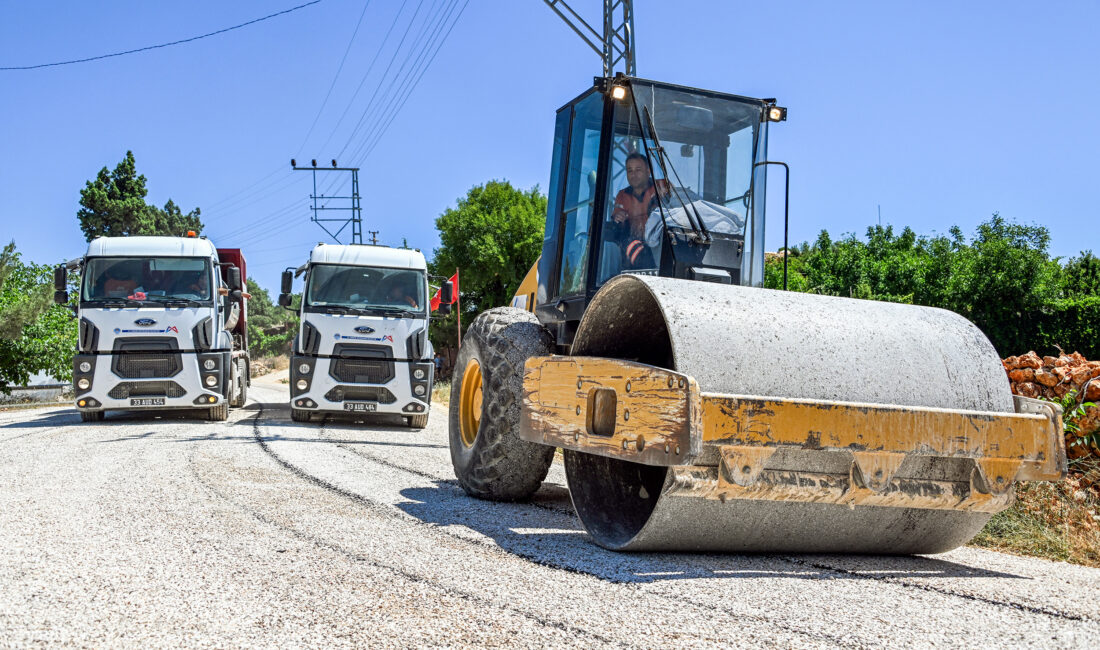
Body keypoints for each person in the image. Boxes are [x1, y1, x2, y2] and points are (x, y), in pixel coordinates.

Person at [610, 153, 664, 268]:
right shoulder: (622, 195)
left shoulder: (661, 186)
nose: (633, 175)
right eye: (630, 171)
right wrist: (619, 218)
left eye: (638, 170)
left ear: (648, 172)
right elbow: (617, 222)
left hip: (660, 244)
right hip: (636, 245)